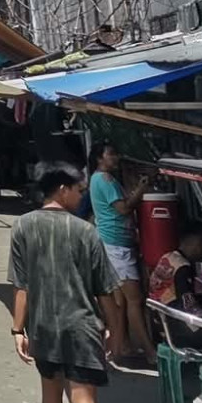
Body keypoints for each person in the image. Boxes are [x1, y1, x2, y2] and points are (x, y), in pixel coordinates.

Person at [9, 166, 124, 403]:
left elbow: (21, 285)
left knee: (51, 396)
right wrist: (115, 330)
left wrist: (18, 330)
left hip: (43, 328)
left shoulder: (22, 226)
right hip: (81, 329)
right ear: (63, 190)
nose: (82, 196)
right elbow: (104, 291)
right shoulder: (86, 231)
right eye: (79, 190)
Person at [87, 143, 155, 367]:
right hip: (116, 246)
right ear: (99, 158)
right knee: (135, 300)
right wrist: (142, 189)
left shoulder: (101, 179)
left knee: (122, 302)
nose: (115, 158)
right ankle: (149, 352)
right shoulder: (105, 180)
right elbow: (123, 208)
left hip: (114, 243)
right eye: (111, 154)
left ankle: (122, 348)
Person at [145, 223, 202, 312]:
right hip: (171, 313)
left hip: (156, 309)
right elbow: (188, 305)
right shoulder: (183, 268)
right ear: (199, 244)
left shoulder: (168, 256)